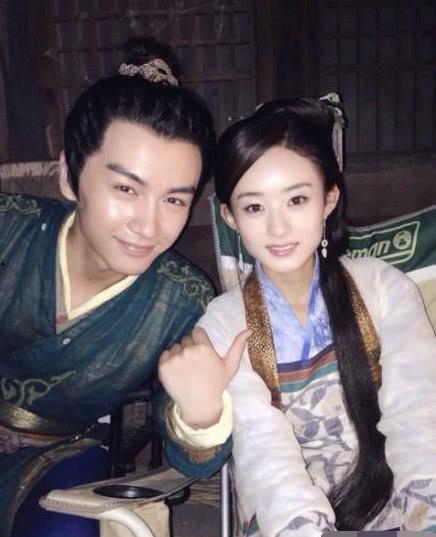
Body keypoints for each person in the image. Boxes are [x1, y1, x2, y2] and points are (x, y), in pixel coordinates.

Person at [161, 98, 436, 535]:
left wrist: (426, 511)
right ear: (230, 216)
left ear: (328, 199)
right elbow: (263, 450)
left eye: (296, 200)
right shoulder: (224, 324)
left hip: (397, 501)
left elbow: (418, 409)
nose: (278, 228)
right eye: (254, 207)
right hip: (285, 519)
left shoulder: (382, 288)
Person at [0, 37, 232, 537]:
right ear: (70, 176)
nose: (148, 226)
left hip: (59, 454)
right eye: (126, 188)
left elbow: (194, 461)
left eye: (174, 200)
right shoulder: (6, 230)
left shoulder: (182, 300)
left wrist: (200, 412)